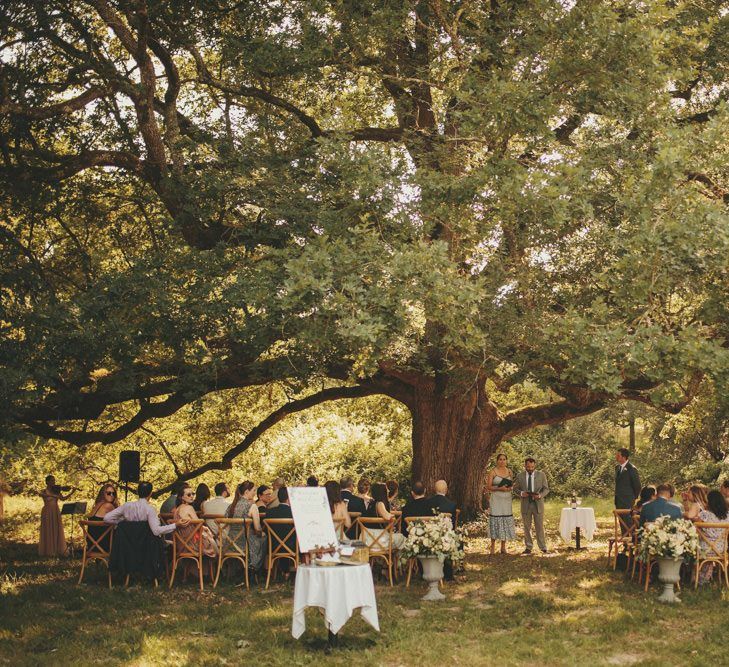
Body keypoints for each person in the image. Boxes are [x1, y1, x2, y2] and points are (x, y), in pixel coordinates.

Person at [104, 481, 188, 535]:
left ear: (137, 492)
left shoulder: (127, 506)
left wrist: (122, 523)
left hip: (127, 547)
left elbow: (107, 518)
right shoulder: (150, 509)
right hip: (145, 547)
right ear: (150, 494)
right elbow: (156, 531)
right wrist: (176, 524)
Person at [226, 481, 266, 572]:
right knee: (264, 537)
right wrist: (261, 533)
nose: (255, 493)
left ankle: (240, 569)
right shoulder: (252, 506)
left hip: (229, 543)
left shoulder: (231, 506)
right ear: (247, 492)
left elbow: (225, 524)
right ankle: (254, 567)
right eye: (254, 490)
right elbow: (258, 528)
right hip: (245, 543)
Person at [512, 458, 550, 554]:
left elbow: (546, 489)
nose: (530, 469)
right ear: (525, 466)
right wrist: (521, 493)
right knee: (526, 527)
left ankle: (543, 547)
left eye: (532, 467)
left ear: (535, 466)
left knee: (539, 526)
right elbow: (515, 489)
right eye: (528, 467)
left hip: (538, 504)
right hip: (525, 504)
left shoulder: (541, 475)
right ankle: (528, 547)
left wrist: (540, 495)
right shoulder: (520, 476)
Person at [174, 484, 218, 557]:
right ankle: (217, 566)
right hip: (193, 545)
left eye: (193, 494)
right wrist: (208, 531)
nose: (192, 496)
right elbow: (199, 525)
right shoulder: (189, 508)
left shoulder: (177, 510)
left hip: (180, 545)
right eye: (188, 495)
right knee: (213, 542)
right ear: (181, 497)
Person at [486, 453, 517, 555]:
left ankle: (503, 547)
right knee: (495, 520)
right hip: (496, 499)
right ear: (497, 461)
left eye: (504, 459)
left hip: (506, 499)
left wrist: (510, 488)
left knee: (505, 520)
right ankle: (492, 547)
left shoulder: (509, 471)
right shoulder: (493, 472)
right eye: (500, 459)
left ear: (506, 461)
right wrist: (500, 488)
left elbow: (511, 484)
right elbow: (489, 487)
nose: (502, 461)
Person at [696, 490, 729, 584]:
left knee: (692, 545)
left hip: (704, 549)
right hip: (721, 549)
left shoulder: (705, 514)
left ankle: (694, 577)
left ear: (709, 502)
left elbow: (695, 529)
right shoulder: (728, 516)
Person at [39, 475, 75, 557]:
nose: (53, 483)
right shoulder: (44, 491)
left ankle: (57, 549)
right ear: (47, 482)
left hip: (55, 511)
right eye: (52, 481)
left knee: (56, 528)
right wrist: (53, 496)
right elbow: (41, 495)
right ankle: (48, 550)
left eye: (54, 481)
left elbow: (63, 499)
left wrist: (72, 492)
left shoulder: (57, 490)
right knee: (48, 529)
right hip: (47, 511)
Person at [264, 486, 296, 577]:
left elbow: (266, 530)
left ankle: (285, 571)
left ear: (278, 497)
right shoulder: (294, 512)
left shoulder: (270, 512)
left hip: (273, 546)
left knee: (282, 536)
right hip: (292, 547)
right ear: (289, 498)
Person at [367, 483, 405, 550]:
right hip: (378, 540)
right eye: (386, 489)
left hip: (368, 538)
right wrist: (394, 515)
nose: (388, 491)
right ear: (382, 492)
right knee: (402, 538)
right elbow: (388, 517)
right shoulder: (379, 504)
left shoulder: (371, 504)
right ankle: (399, 560)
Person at [87, 483, 119, 552]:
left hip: (92, 544)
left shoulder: (97, 505)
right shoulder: (108, 506)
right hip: (103, 545)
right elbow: (120, 517)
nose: (111, 495)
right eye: (108, 493)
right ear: (103, 494)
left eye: (113, 494)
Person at [614, 448, 641, 523]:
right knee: (621, 520)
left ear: (624, 457)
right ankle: (624, 535)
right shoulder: (617, 468)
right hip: (618, 500)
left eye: (618, 455)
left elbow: (637, 485)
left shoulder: (632, 468)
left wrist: (633, 497)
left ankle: (630, 534)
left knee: (628, 520)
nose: (616, 457)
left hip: (628, 500)